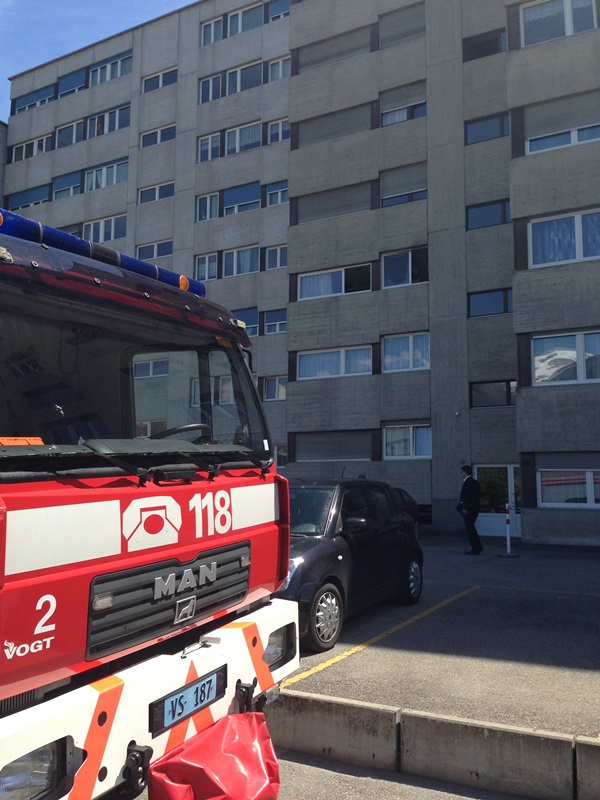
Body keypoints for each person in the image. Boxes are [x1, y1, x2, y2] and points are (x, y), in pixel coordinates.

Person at [457, 465, 483, 555]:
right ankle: (477, 547)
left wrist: (465, 508)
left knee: (470, 529)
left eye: (461, 472)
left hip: (469, 509)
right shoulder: (475, 482)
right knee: (471, 528)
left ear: (465, 472)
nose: (461, 474)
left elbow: (468, 497)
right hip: (475, 508)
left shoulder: (468, 483)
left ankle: (475, 549)